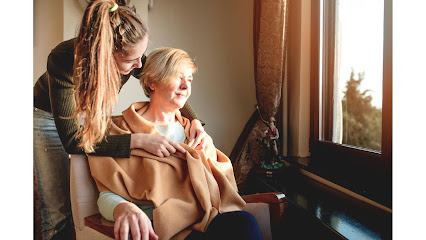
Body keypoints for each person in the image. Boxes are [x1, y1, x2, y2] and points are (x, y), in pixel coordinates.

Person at [33, 1, 207, 239]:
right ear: (105, 55)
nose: (139, 66)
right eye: (131, 61)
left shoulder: (130, 53)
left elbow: (160, 77)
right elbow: (74, 141)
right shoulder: (62, 61)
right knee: (58, 210)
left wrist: (194, 119)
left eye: (140, 57)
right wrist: (137, 140)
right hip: (49, 117)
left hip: (90, 111)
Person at [89, 47, 263, 240]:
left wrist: (206, 150)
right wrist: (123, 208)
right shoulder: (119, 131)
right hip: (159, 227)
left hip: (204, 219)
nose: (185, 87)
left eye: (189, 79)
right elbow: (107, 194)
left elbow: (219, 186)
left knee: (244, 222)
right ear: (153, 82)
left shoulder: (194, 132)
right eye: (177, 77)